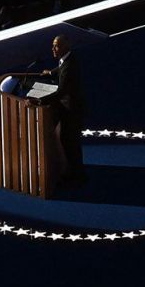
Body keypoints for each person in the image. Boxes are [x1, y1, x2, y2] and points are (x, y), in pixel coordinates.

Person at [47, 35, 86, 184]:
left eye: (56, 46)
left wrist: (40, 100)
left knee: (70, 142)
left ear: (65, 47)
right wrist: (51, 73)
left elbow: (61, 91)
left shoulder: (70, 65)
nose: (53, 49)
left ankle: (76, 175)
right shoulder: (67, 59)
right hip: (69, 108)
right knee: (68, 140)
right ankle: (74, 170)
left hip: (72, 110)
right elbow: (61, 67)